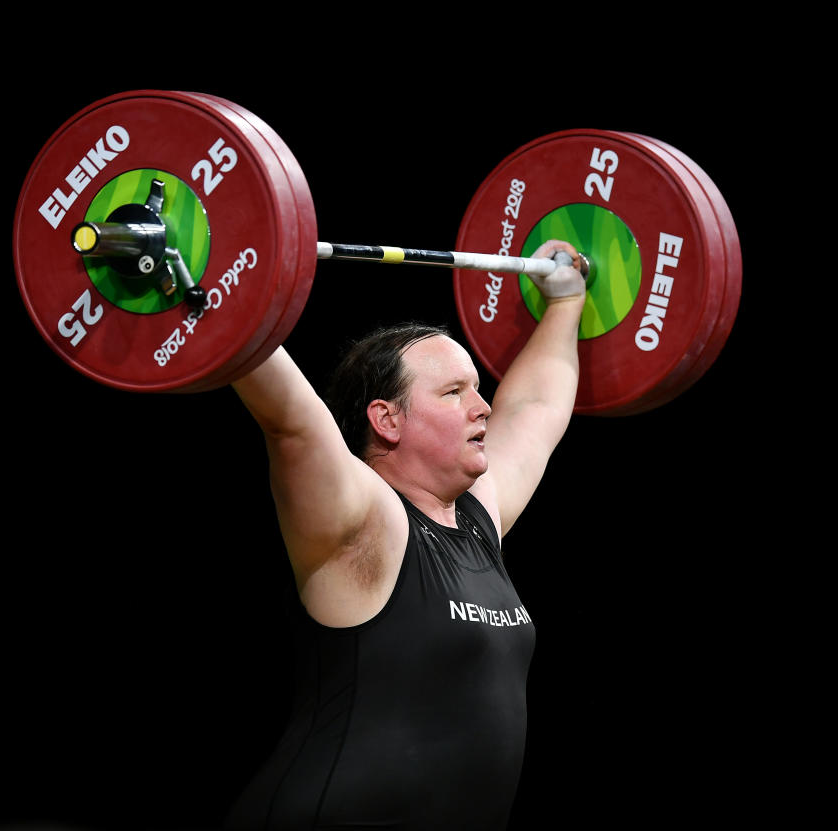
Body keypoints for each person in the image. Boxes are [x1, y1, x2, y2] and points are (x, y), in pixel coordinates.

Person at [225, 240, 587, 830]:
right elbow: (292, 419)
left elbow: (538, 405)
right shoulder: (367, 519)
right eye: (453, 393)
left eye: (476, 387)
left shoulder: (475, 519)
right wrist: (202, 290)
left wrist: (566, 299)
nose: (483, 408)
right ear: (386, 419)